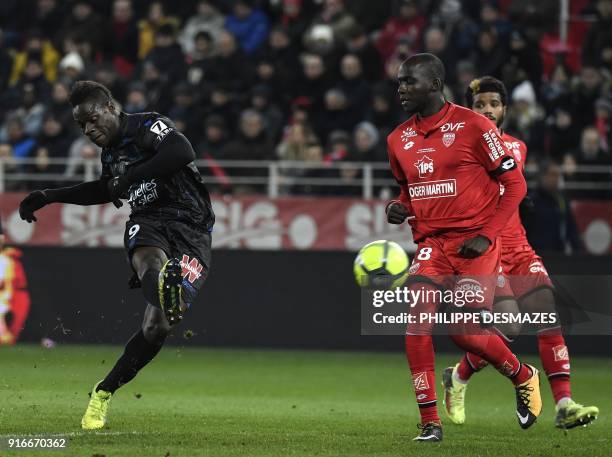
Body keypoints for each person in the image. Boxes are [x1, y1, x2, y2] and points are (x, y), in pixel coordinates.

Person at [18, 80, 215, 429]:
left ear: (109, 106)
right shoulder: (111, 155)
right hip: (149, 221)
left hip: (192, 230)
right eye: (82, 126)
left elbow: (181, 151)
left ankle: (104, 389)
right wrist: (49, 195)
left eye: (93, 119)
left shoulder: (146, 125)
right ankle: (168, 292)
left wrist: (132, 176)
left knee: (157, 327)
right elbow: (105, 188)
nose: (89, 130)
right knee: (149, 262)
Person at [386, 54, 539, 442]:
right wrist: (400, 207)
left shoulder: (474, 126)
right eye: (399, 82)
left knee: (465, 333)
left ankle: (523, 375)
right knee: (415, 324)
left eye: (408, 82)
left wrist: (487, 235)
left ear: (434, 84)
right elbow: (409, 189)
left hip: (475, 244)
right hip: (432, 245)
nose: (400, 88)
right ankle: (430, 423)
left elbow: (516, 185)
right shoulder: (397, 139)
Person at [442, 76, 599, 430]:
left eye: (494, 104)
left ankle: (564, 404)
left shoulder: (518, 148)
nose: (488, 110)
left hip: (519, 248)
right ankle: (461, 374)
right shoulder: (458, 151)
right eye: (480, 105)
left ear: (504, 109)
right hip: (487, 250)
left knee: (547, 317)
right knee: (508, 326)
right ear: (469, 110)